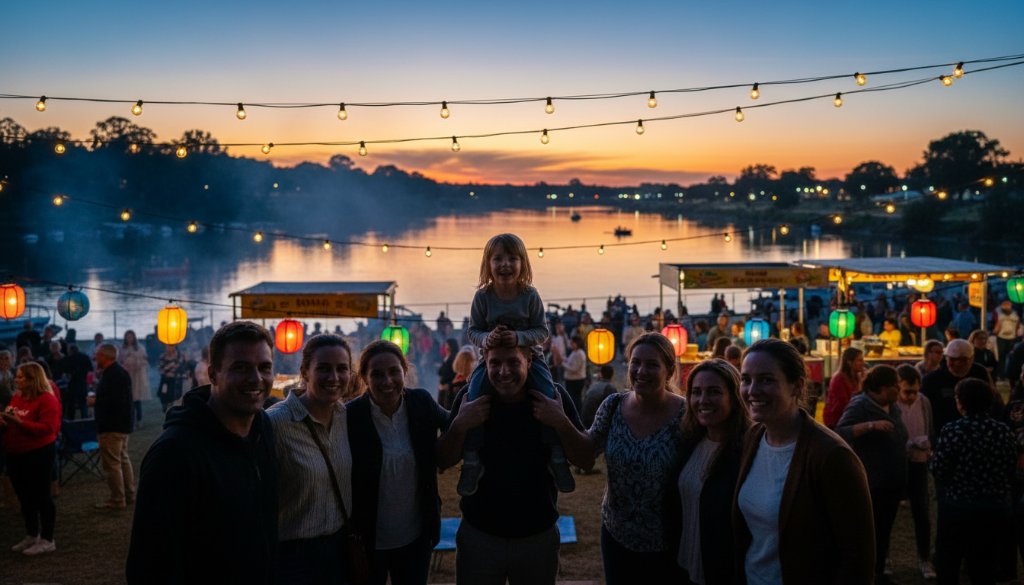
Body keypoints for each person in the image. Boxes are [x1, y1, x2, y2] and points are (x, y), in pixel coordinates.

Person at [126, 321, 279, 584]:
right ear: (213, 374)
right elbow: (149, 565)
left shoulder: (263, 429)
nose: (256, 379)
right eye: (240, 367)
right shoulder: (174, 453)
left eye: (264, 367)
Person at [436, 343, 589, 585]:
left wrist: (561, 422)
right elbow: (443, 460)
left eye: (513, 362)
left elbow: (585, 459)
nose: (503, 371)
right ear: (484, 361)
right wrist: (459, 425)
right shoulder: (471, 398)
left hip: (537, 536)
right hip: (479, 535)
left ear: (529, 360)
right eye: (495, 363)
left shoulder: (552, 396)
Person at [735, 338, 874, 585]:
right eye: (745, 379)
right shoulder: (752, 438)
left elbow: (857, 557)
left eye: (766, 379)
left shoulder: (831, 456)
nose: (752, 390)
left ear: (797, 386)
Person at [460, 233, 572, 496]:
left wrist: (520, 338)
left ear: (523, 263)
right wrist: (487, 338)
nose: (505, 264)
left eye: (512, 258)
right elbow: (473, 332)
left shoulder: (530, 296)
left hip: (531, 360)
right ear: (488, 263)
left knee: (547, 395)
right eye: (498, 258)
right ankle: (472, 457)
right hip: (490, 361)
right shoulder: (483, 297)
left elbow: (542, 332)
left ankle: (557, 453)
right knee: (474, 395)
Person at [588, 333, 687, 584]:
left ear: (670, 371)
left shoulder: (686, 415)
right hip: (616, 535)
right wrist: (557, 417)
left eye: (652, 364)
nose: (641, 370)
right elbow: (585, 454)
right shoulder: (612, 406)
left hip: (670, 542)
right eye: (636, 362)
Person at [348, 340, 448, 585]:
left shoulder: (421, 403)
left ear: (405, 370)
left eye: (394, 371)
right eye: (377, 374)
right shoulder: (351, 416)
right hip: (368, 541)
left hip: (416, 537)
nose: (387, 381)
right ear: (364, 377)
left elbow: (454, 425)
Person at [266, 334, 353, 583]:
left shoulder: (346, 417)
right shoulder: (276, 423)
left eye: (341, 369)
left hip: (341, 549)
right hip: (293, 557)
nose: (334, 377)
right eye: (323, 369)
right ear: (305, 371)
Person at [931, 378, 1015, 585]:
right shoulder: (1003, 431)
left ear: (961, 403)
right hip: (994, 507)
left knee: (949, 565)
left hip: (958, 507)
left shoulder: (953, 430)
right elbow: (1010, 467)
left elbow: (939, 469)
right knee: (985, 567)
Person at [674, 359, 751, 585]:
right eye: (696, 392)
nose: (703, 400)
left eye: (714, 392)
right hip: (684, 565)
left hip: (723, 572)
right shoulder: (689, 441)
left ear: (734, 398)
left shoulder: (746, 451)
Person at [835, 365, 908, 583]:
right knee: (870, 531)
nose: (899, 388)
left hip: (892, 480)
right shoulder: (860, 406)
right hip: (872, 480)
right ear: (883, 388)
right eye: (895, 385)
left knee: (885, 529)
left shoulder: (893, 407)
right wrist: (870, 426)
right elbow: (841, 432)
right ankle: (867, 573)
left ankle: (880, 570)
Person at [1, 362, 61, 555]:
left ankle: (47, 538)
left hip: (38, 453)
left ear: (32, 379)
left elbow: (48, 429)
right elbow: (10, 413)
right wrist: (4, 420)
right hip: (15, 453)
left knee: (41, 495)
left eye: (20, 377)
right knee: (23, 495)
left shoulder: (46, 400)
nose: (16, 380)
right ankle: (31, 533)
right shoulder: (18, 397)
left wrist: (20, 422)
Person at [894, 364, 937, 580]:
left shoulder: (924, 402)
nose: (911, 396)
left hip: (919, 463)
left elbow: (929, 427)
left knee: (922, 512)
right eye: (906, 392)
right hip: (896, 464)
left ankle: (924, 558)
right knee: (888, 512)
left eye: (914, 391)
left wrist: (927, 444)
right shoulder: (892, 405)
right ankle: (884, 558)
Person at [90, 343, 136, 510]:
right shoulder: (118, 372)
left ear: (105, 356)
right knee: (122, 459)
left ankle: (118, 499)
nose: (95, 358)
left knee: (112, 464)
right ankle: (129, 494)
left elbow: (116, 401)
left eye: (97, 354)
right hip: (122, 424)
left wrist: (96, 401)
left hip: (112, 425)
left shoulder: (113, 375)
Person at [922, 338, 993, 433]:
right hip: (943, 431)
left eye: (963, 360)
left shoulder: (980, 373)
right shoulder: (932, 380)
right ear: (946, 358)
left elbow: (993, 401)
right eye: (952, 359)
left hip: (979, 430)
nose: (957, 363)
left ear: (972, 358)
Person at [822, 346, 865, 429]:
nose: (863, 363)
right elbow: (841, 405)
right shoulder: (839, 379)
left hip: (850, 415)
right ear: (849, 362)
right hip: (837, 420)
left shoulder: (857, 377)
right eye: (860, 360)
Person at [119, 330, 151, 427]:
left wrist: (137, 363)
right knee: (128, 400)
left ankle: (139, 420)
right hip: (127, 375)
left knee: (137, 399)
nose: (129, 339)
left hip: (137, 376)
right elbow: (120, 361)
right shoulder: (122, 349)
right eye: (127, 337)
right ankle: (130, 420)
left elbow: (145, 361)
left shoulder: (140, 348)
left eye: (131, 337)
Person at [581, 364, 617, 429]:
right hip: (594, 423)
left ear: (601, 374)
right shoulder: (609, 388)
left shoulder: (594, 385)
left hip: (584, 420)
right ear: (612, 375)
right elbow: (611, 410)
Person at [994, 300, 1021, 379]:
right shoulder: (999, 314)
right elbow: (997, 325)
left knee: (1009, 356)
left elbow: (1018, 325)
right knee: (1002, 357)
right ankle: (1002, 374)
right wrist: (995, 332)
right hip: (1001, 337)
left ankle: (1008, 373)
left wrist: (1016, 333)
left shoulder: (1015, 314)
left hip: (1011, 337)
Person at [156, 344, 185, 413]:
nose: (169, 348)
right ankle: (165, 408)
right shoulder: (162, 357)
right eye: (167, 346)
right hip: (165, 380)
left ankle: (173, 410)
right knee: (164, 396)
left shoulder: (179, 356)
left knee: (174, 397)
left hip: (175, 380)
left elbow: (180, 368)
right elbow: (160, 368)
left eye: (171, 346)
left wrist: (173, 372)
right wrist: (166, 372)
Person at [563, 335, 588, 411]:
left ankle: (577, 415)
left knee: (575, 400)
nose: (571, 344)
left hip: (576, 380)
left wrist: (562, 364)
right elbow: (570, 362)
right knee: (574, 399)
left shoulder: (579, 353)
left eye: (572, 343)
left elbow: (574, 369)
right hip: (573, 380)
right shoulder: (575, 352)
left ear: (577, 343)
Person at [437, 337, 460, 405]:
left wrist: (448, 384)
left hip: (449, 389)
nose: (445, 347)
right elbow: (440, 372)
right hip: (444, 388)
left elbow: (454, 374)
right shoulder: (447, 357)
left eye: (446, 345)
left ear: (451, 346)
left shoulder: (454, 358)